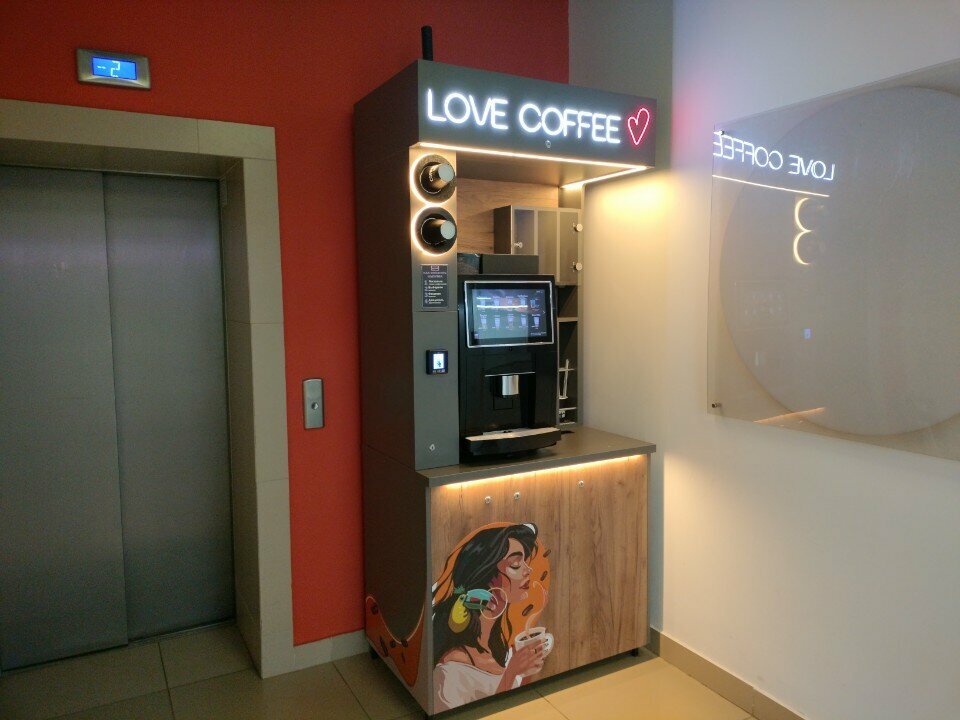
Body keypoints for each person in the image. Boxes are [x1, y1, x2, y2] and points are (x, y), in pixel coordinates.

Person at [432, 523, 549, 711]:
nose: (528, 570)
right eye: (516, 564)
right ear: (486, 575)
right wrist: (512, 671)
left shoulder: (497, 650)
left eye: (525, 561)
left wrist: (524, 670)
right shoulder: (450, 671)